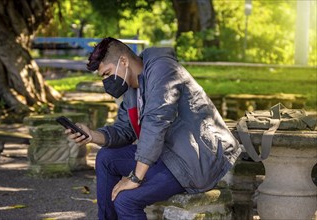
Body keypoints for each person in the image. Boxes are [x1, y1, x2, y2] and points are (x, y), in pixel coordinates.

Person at [65, 37, 242, 220]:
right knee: (105, 157)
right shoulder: (132, 89)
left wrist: (134, 178)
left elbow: (155, 122)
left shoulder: (163, 69)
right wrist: (92, 136)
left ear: (123, 61)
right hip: (166, 154)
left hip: (196, 159)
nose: (106, 82)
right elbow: (124, 130)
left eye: (107, 73)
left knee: (126, 200)